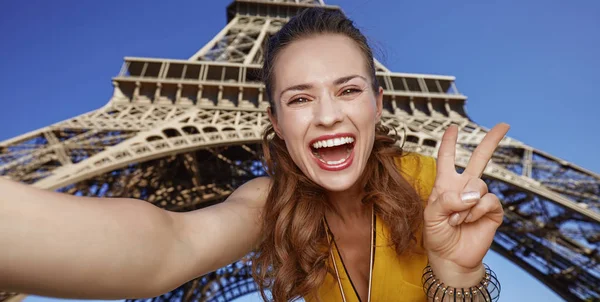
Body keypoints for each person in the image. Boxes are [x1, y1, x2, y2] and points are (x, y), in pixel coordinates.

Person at [0, 7, 507, 302]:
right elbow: (170, 245)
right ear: (277, 124)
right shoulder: (273, 203)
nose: (327, 115)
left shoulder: (433, 189)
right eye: (300, 98)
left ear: (378, 103)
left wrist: (456, 274)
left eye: (348, 90)